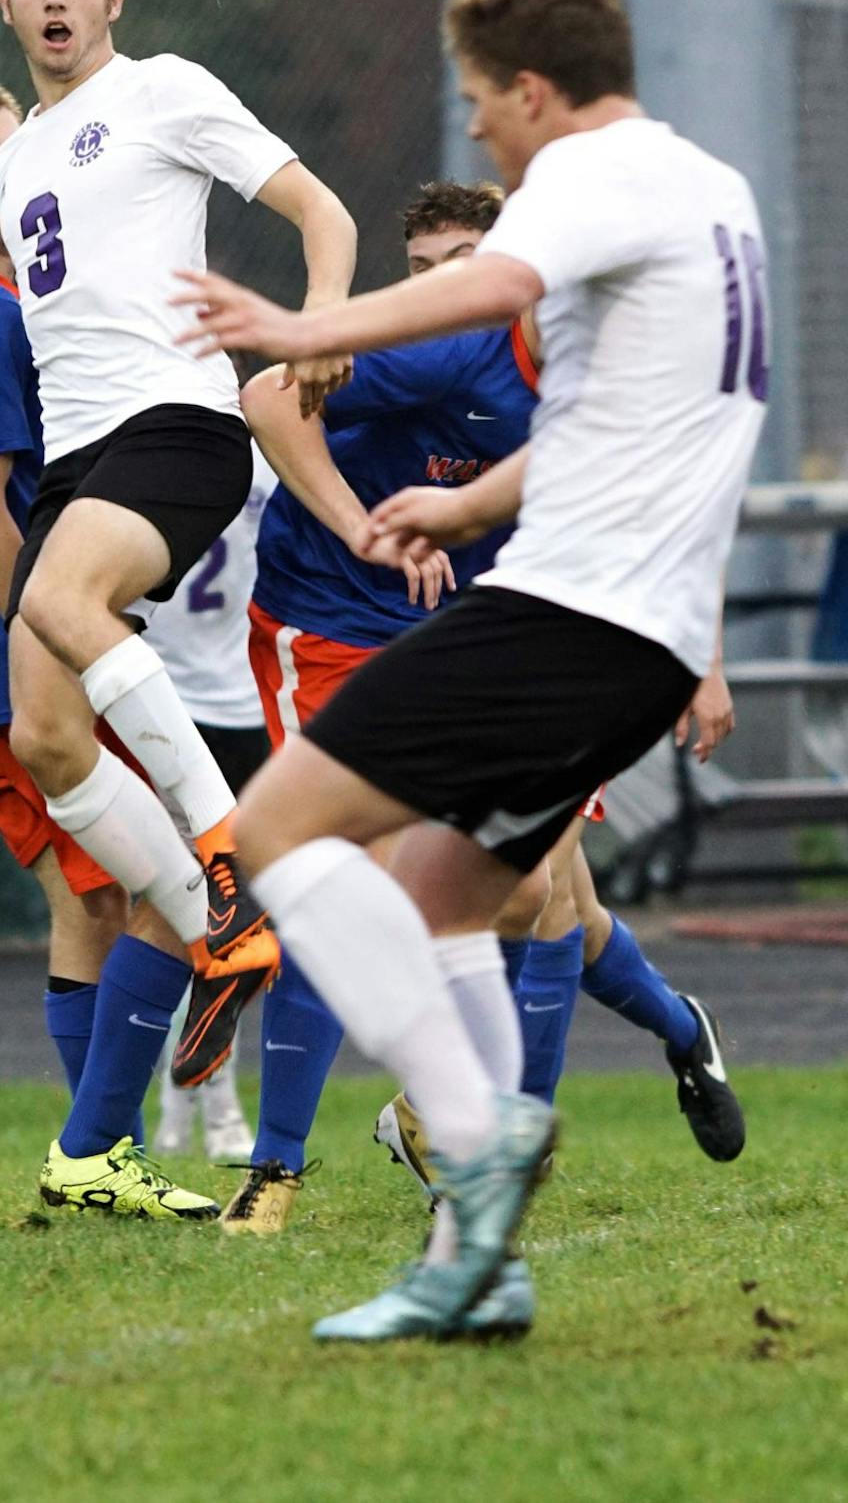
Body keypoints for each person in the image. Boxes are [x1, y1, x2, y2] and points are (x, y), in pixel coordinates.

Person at [176, 0, 770, 1341]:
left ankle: (476, 1135)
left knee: (274, 832)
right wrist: (472, 498)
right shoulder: (715, 191)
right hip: (643, 632)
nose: (479, 134)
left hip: (567, 615)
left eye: (480, 104)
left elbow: (489, 284)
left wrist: (302, 324)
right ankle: (477, 1262)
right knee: (449, 903)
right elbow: (638, 416)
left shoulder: (584, 171)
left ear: (537, 89)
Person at [214, 181, 743, 1241]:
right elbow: (271, 395)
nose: (445, 287)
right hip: (333, 626)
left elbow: (668, 501)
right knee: (332, 876)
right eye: (422, 271)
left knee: (552, 902)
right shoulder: (438, 344)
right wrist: (366, 525)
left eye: (470, 261)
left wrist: (706, 656)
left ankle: (583, 1087)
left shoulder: (597, 360)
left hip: (504, 640)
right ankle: (278, 1167)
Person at [0, 0, 358, 1211]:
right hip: (80, 458)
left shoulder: (166, 92)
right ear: (8, 1)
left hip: (177, 429)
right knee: (43, 735)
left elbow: (325, 216)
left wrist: (317, 328)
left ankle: (223, 866)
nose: (55, 0)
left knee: (74, 607)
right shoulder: (17, 155)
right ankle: (95, 1145)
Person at [0, 76, 216, 1218]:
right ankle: (96, 1150)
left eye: (11, 148)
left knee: (88, 905)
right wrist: (59, 637)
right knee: (175, 896)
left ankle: (103, 1154)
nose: (5, 172)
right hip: (15, 667)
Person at [140, 450, 278, 1163]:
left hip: (177, 708)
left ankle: (189, 1110)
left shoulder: (158, 450)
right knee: (222, 924)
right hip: (222, 707)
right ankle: (207, 1111)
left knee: (199, 923)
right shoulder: (263, 459)